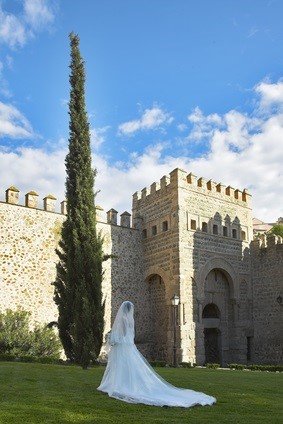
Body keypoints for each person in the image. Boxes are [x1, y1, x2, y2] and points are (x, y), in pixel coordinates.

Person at [97, 301, 216, 407]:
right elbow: (130, 335)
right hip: (129, 346)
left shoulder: (122, 319)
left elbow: (120, 335)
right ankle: (126, 384)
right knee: (130, 368)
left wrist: (112, 338)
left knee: (121, 367)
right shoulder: (131, 320)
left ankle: (119, 385)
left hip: (123, 347)